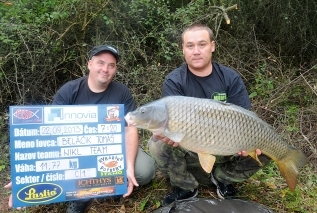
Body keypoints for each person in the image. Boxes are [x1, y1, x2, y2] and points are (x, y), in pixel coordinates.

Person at [5, 44, 156, 213]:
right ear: (89, 64)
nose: (105, 69)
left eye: (111, 65)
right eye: (100, 63)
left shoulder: (122, 92)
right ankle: (81, 196)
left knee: (145, 171)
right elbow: (48, 133)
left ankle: (114, 183)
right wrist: (25, 177)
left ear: (115, 69)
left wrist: (128, 166)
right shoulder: (69, 90)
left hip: (113, 147)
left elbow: (130, 129)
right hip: (74, 150)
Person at [148, 23, 271, 206]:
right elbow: (168, 125)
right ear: (183, 49)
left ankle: (223, 178)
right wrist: (166, 133)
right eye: (190, 46)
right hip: (191, 145)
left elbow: (246, 119)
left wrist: (248, 144)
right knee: (157, 143)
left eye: (202, 44)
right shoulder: (174, 81)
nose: (196, 51)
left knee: (267, 148)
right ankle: (186, 187)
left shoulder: (230, 78)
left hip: (228, 145)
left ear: (212, 46)